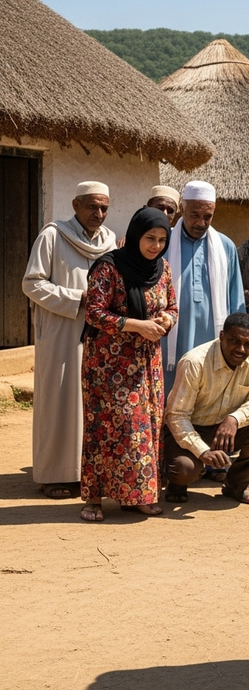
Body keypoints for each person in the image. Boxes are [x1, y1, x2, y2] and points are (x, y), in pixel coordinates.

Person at [80, 207, 177, 522]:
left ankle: (137, 495)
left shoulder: (162, 269)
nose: (156, 246)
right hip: (108, 364)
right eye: (150, 238)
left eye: (162, 239)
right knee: (106, 428)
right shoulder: (108, 268)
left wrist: (166, 319)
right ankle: (94, 498)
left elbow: (172, 306)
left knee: (144, 427)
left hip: (147, 363)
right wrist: (136, 325)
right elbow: (93, 312)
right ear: (136, 235)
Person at [22, 181, 116, 499]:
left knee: (90, 405)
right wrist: (79, 299)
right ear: (76, 205)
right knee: (58, 403)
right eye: (92, 206)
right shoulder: (53, 235)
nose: (98, 213)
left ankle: (84, 473)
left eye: (104, 207)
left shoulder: (109, 242)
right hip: (60, 335)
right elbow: (32, 283)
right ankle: (53, 475)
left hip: (95, 336)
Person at [164, 313, 249, 506]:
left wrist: (234, 419)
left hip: (227, 428)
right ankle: (176, 484)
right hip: (190, 428)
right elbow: (176, 417)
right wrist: (202, 451)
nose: (241, 349)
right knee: (184, 469)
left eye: (247, 344)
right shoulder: (194, 362)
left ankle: (237, 485)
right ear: (221, 335)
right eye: (234, 341)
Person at [163, 180, 245, 393]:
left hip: (212, 335)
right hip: (171, 337)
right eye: (194, 215)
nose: (201, 222)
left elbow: (235, 297)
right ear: (183, 208)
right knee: (170, 393)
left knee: (206, 392)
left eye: (207, 216)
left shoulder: (225, 246)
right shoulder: (164, 242)